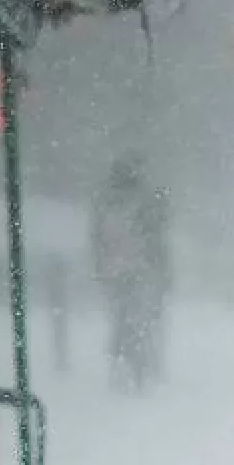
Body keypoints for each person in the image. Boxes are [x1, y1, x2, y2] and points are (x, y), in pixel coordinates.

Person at [90, 153, 171, 392]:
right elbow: (155, 237)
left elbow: (98, 237)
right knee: (139, 319)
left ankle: (122, 365)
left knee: (121, 319)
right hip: (139, 269)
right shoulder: (144, 201)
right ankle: (139, 366)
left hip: (115, 270)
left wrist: (101, 265)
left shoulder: (107, 201)